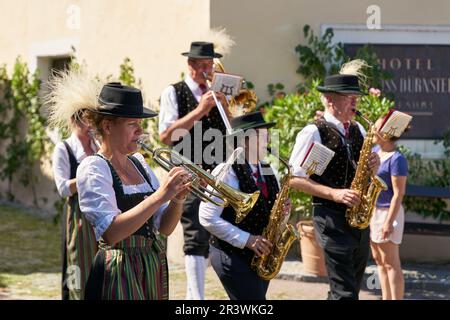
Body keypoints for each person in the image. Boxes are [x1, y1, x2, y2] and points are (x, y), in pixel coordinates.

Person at [77, 82, 191, 300]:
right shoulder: (93, 168)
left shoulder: (139, 163)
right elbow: (112, 233)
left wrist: (177, 199)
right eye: (132, 124)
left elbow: (164, 229)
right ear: (108, 127)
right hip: (118, 270)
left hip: (150, 265)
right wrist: (161, 195)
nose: (140, 131)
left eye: (140, 124)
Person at [289, 61, 380, 300]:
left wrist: (374, 166)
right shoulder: (314, 132)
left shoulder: (359, 129)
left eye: (356, 98)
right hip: (331, 219)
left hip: (358, 220)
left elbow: (365, 170)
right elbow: (294, 179)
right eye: (349, 97)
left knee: (345, 290)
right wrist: (334, 193)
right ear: (330, 100)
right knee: (345, 292)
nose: (355, 102)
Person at [159, 41, 229, 299]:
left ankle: (195, 296)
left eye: (210, 65)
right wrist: (200, 110)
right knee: (194, 235)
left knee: (219, 232)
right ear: (189, 66)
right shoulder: (173, 92)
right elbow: (166, 136)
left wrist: (226, 108)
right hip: (190, 172)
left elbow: (233, 133)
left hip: (220, 172)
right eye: (202, 66)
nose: (207, 71)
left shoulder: (217, 92)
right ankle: (197, 299)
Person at [199, 111, 290, 300]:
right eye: (262, 137)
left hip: (259, 256)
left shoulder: (269, 169)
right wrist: (247, 239)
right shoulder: (226, 171)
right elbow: (206, 216)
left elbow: (273, 216)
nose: (268, 141)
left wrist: (284, 214)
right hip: (231, 254)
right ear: (245, 141)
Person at [48, 68, 99, 300]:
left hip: (100, 209)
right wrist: (87, 175)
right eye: (82, 119)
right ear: (72, 121)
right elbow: (62, 188)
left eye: (90, 119)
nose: (87, 125)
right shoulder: (64, 149)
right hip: (78, 215)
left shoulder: (98, 146)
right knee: (77, 266)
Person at [370, 115, 408, 300]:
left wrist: (388, 222)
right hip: (373, 212)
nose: (373, 130)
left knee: (392, 263)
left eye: (376, 127)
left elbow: (398, 194)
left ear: (387, 133)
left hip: (388, 213)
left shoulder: (397, 159)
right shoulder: (375, 151)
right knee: (380, 261)